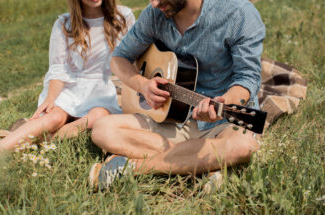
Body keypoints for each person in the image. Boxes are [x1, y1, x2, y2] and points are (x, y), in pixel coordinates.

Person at [89, 0, 265, 190]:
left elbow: (247, 78)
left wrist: (225, 102)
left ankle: (133, 168)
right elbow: (119, 58)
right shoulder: (154, 15)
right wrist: (143, 85)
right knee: (102, 130)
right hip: (172, 118)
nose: (154, 4)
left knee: (243, 146)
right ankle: (204, 162)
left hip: (223, 122)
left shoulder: (238, 12)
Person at [0, 0, 135, 160]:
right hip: (70, 85)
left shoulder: (124, 17)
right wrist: (50, 98)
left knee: (96, 118)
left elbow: (137, 54)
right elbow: (58, 70)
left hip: (101, 89)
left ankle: (26, 137)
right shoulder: (64, 24)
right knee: (55, 118)